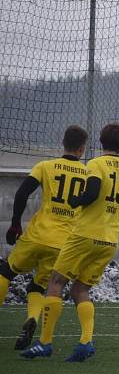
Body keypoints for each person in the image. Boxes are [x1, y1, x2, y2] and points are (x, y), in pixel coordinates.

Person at [21, 123, 119, 362]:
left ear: (101, 142)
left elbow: (92, 192)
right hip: (109, 239)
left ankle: (45, 343)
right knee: (80, 289)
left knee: (55, 281)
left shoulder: (95, 164)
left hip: (85, 234)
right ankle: (85, 342)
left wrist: (76, 201)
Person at [1, 126, 89, 350]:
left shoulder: (45, 166)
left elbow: (22, 194)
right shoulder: (89, 174)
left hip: (38, 234)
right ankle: (33, 318)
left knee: (7, 271)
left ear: (63, 143)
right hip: (63, 243)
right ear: (82, 149)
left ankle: (30, 319)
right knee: (39, 286)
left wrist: (15, 224)